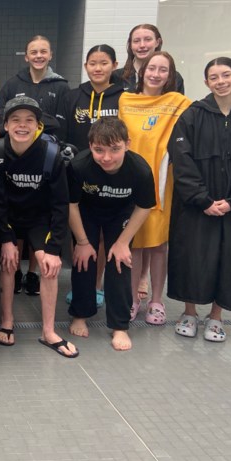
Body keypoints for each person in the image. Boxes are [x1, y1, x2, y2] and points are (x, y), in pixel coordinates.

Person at [168, 58, 231, 342]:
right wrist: (202, 199)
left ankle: (216, 316)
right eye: (214, 77)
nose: (221, 81)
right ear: (206, 82)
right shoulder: (192, 116)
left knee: (229, 258)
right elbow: (181, 160)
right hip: (195, 204)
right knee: (190, 256)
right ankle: (188, 311)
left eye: (226, 75)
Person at [0, 97, 78, 357]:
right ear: (5, 124)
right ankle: (6, 320)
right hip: (10, 217)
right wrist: (6, 239)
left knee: (48, 266)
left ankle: (48, 331)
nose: (22, 125)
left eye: (29, 120)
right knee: (8, 261)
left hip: (40, 218)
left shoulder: (52, 156)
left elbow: (61, 206)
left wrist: (53, 248)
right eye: (15, 120)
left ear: (38, 126)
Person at [66, 118, 155, 350]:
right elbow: (71, 205)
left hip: (120, 214)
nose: (106, 157)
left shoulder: (140, 170)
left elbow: (144, 207)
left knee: (119, 261)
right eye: (99, 150)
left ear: (127, 144)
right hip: (87, 212)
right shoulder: (79, 166)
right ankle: (80, 314)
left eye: (114, 149)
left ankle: (120, 326)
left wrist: (123, 242)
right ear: (90, 146)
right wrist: (83, 242)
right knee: (84, 261)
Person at [118, 51, 192, 326]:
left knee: (159, 245)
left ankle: (157, 300)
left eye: (163, 70)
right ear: (142, 71)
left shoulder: (179, 103)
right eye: (152, 68)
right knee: (135, 244)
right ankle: (133, 298)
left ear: (170, 75)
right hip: (132, 179)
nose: (156, 74)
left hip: (163, 180)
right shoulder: (126, 101)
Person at [0, 35, 72, 295]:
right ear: (26, 56)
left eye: (43, 52)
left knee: (39, 213)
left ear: (50, 55)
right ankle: (14, 271)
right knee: (15, 210)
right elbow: (0, 115)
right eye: (33, 52)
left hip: (44, 156)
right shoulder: (13, 83)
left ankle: (32, 273)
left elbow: (61, 123)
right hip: (17, 154)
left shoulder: (61, 86)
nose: (38, 56)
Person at [60, 44, 129, 307]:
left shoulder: (125, 96)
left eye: (103, 63)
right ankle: (81, 283)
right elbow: (64, 133)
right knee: (78, 230)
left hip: (113, 174)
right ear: (85, 66)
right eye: (92, 63)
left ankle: (97, 283)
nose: (98, 68)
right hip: (79, 172)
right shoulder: (73, 96)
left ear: (114, 65)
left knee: (101, 235)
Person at [113, 24, 185, 94]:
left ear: (157, 42)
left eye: (148, 39)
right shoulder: (116, 76)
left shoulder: (174, 77)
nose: (142, 45)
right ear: (130, 45)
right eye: (136, 41)